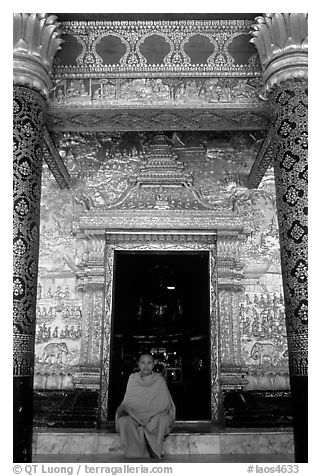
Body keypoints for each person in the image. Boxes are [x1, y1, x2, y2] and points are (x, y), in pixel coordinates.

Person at [115, 353, 175, 459]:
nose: (146, 366)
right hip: (135, 416)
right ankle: (140, 450)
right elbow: (128, 403)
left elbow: (165, 404)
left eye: (149, 363)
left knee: (164, 419)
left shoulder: (159, 380)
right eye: (143, 362)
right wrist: (136, 416)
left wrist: (150, 416)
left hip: (155, 417)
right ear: (138, 364)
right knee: (123, 421)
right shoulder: (133, 379)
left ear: (154, 364)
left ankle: (153, 447)